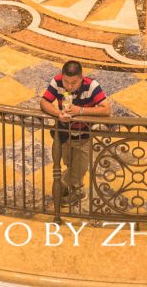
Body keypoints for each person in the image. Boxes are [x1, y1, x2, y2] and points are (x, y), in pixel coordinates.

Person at [39, 59, 109, 209]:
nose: (69, 86)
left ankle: (73, 188)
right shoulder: (57, 82)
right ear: (62, 76)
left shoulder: (92, 86)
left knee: (79, 169)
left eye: (74, 83)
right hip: (64, 134)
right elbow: (44, 102)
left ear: (81, 78)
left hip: (84, 136)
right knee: (69, 163)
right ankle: (70, 186)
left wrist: (80, 111)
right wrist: (58, 114)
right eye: (66, 82)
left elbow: (106, 109)